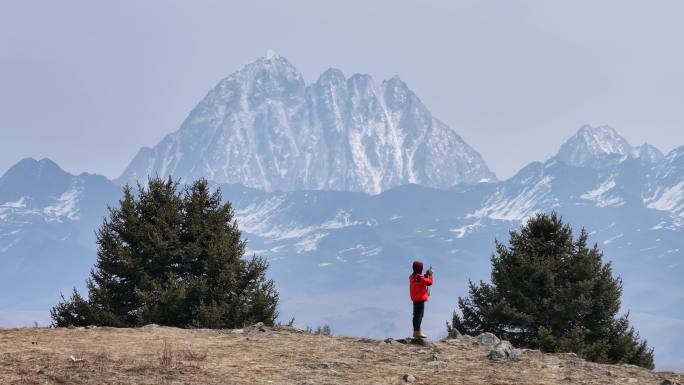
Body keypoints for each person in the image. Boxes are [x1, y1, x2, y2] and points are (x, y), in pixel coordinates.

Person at [409, 260, 433, 339]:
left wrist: (425, 275)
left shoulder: (412, 277)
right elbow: (429, 282)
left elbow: (420, 280)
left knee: (415, 315)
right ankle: (417, 332)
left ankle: (416, 331)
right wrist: (430, 275)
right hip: (420, 299)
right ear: (420, 269)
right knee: (419, 315)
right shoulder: (420, 278)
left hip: (415, 299)